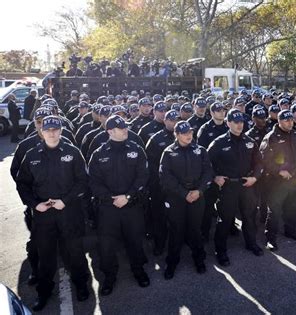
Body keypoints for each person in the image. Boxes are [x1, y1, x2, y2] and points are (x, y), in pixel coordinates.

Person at [15, 115, 89, 311]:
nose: (52, 133)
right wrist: (34, 204)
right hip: (44, 214)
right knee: (46, 256)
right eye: (48, 130)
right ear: (42, 131)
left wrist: (65, 201)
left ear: (61, 130)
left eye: (55, 129)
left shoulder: (72, 153)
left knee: (75, 252)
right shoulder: (32, 155)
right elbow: (22, 184)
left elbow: (83, 181)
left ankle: (81, 285)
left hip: (68, 212)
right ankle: (44, 291)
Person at [88, 115, 150, 295]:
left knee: (135, 241)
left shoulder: (136, 149)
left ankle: (139, 271)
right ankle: (109, 277)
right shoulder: (99, 154)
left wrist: (128, 196)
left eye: (125, 127)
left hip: (132, 206)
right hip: (108, 208)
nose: (126, 130)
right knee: (106, 246)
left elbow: (143, 176)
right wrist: (112, 198)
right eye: (121, 128)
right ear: (110, 131)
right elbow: (93, 182)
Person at [208, 109, 263, 266]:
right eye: (236, 122)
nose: (240, 125)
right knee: (225, 220)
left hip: (246, 184)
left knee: (249, 216)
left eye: (241, 122)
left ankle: (251, 243)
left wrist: (255, 177)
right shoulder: (218, 143)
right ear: (228, 123)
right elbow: (205, 163)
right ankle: (221, 250)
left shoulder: (250, 141)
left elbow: (259, 163)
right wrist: (214, 177)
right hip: (228, 187)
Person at [159, 121, 213, 279]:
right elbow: (165, 177)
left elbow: (208, 172)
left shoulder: (200, 150)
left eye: (190, 132)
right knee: (176, 231)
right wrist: (184, 193)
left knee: (195, 230)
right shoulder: (168, 152)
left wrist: (199, 190)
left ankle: (199, 259)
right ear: (176, 135)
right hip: (177, 198)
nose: (189, 135)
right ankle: (172, 262)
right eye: (184, 133)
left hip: (197, 196)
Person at [260, 109, 296, 251]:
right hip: (277, 181)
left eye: (291, 120)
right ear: (279, 121)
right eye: (287, 120)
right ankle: (270, 238)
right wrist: (278, 170)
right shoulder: (271, 137)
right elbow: (264, 160)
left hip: (294, 179)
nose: (290, 122)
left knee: (292, 206)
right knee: (274, 210)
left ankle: (291, 230)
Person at [145, 109, 180, 256]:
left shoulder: (185, 136)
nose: (174, 122)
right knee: (159, 217)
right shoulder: (155, 139)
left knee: (178, 217)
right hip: (160, 186)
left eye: (176, 120)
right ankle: (159, 244)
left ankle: (179, 242)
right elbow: (149, 165)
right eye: (171, 120)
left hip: (180, 186)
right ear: (165, 121)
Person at [197, 102, 229, 241]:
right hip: (211, 174)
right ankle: (204, 233)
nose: (222, 112)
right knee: (208, 207)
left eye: (223, 110)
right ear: (212, 113)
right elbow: (202, 157)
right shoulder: (205, 129)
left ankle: (229, 226)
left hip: (228, 172)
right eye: (218, 110)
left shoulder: (229, 126)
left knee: (228, 203)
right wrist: (214, 176)